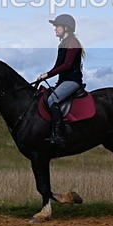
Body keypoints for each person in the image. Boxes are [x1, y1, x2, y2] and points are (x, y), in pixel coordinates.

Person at [37, 14, 85, 145]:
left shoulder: (73, 43)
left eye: (57, 26)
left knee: (53, 99)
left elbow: (66, 66)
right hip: (64, 81)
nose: (55, 29)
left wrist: (47, 75)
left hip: (73, 81)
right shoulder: (63, 44)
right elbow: (57, 66)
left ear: (65, 28)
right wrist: (43, 76)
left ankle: (60, 136)